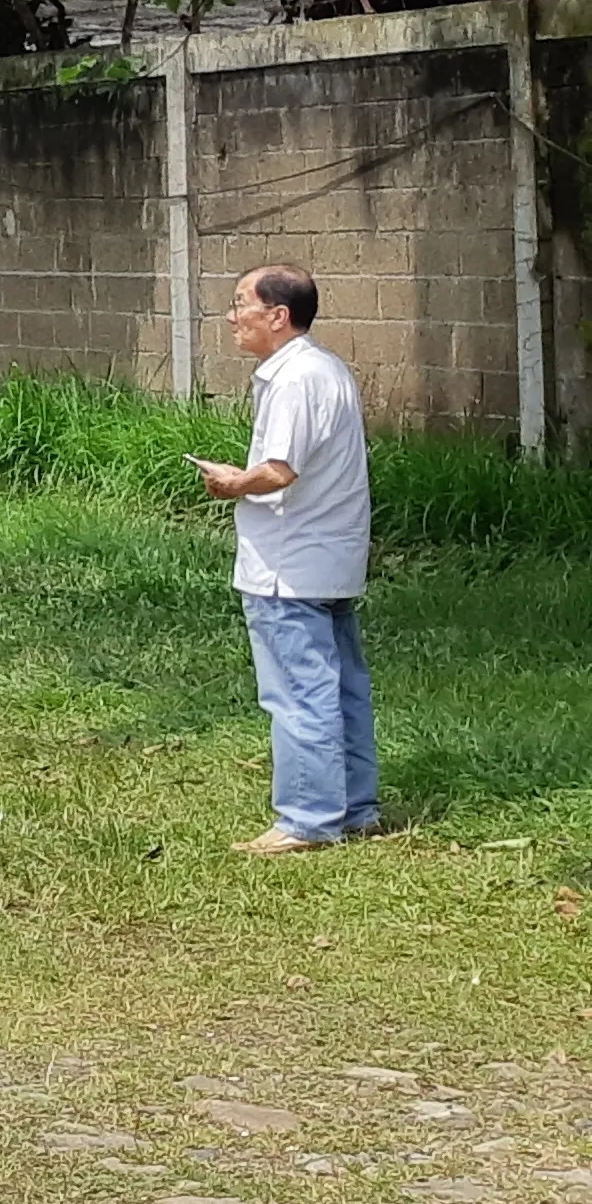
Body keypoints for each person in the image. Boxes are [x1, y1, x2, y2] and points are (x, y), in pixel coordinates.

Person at [191, 263, 376, 854]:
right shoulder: (325, 369)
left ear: (278, 315)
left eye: (240, 303)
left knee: (298, 692)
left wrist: (229, 482)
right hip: (330, 557)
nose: (231, 317)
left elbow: (277, 471)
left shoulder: (293, 378)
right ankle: (355, 808)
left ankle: (306, 818)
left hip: (288, 564)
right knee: (342, 685)